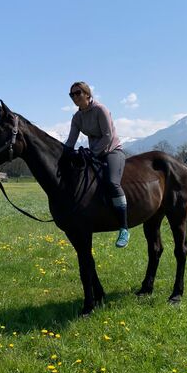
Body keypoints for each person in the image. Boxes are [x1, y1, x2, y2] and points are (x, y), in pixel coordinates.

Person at [64, 81, 129, 248]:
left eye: (78, 93)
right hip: (92, 152)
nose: (75, 97)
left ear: (87, 94)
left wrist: (92, 153)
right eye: (72, 94)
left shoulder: (101, 110)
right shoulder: (77, 117)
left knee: (112, 182)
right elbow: (71, 141)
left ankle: (124, 228)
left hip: (112, 151)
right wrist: (62, 155)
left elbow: (107, 136)